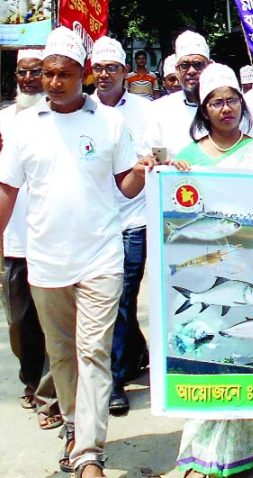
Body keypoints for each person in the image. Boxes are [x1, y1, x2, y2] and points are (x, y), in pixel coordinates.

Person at [0, 26, 155, 478]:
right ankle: (73, 425)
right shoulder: (23, 126)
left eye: (64, 74)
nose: (53, 83)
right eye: (48, 74)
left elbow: (125, 185)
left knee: (94, 353)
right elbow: (8, 190)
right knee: (62, 354)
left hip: (101, 259)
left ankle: (88, 451)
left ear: (82, 75)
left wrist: (144, 172)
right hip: (45, 261)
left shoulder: (109, 123)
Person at [171, 63, 253, 478]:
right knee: (208, 349)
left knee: (245, 350)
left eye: (232, 99)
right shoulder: (187, 158)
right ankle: (200, 454)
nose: (226, 108)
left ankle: (239, 452)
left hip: (252, 269)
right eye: (216, 101)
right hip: (206, 271)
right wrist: (163, 172)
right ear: (204, 109)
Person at [90, 36, 156, 416]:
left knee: (123, 296)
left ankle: (114, 381)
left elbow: (159, 153)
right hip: (96, 221)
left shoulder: (146, 111)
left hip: (134, 218)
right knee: (114, 301)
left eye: (112, 68)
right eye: (98, 68)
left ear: (124, 72)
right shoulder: (83, 111)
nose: (104, 75)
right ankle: (131, 355)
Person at [0, 48, 61, 431]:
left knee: (53, 323)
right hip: (14, 239)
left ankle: (51, 396)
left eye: (36, 72)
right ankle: (29, 380)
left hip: (53, 238)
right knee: (21, 321)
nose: (28, 79)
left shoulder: (60, 119)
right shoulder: (4, 119)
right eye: (22, 72)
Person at [149, 31, 213, 158]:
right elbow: (155, 157)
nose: (191, 71)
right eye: (185, 65)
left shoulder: (228, 106)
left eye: (198, 64)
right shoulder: (159, 110)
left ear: (210, 65)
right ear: (177, 70)